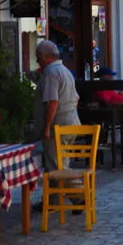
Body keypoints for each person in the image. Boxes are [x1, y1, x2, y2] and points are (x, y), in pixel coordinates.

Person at [33, 40, 80, 172]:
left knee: (57, 168)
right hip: (70, 122)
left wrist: (47, 127)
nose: (38, 61)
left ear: (47, 56)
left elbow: (53, 101)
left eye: (39, 57)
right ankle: (56, 193)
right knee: (59, 163)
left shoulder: (51, 73)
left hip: (58, 126)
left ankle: (79, 190)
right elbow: (76, 98)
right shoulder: (65, 71)